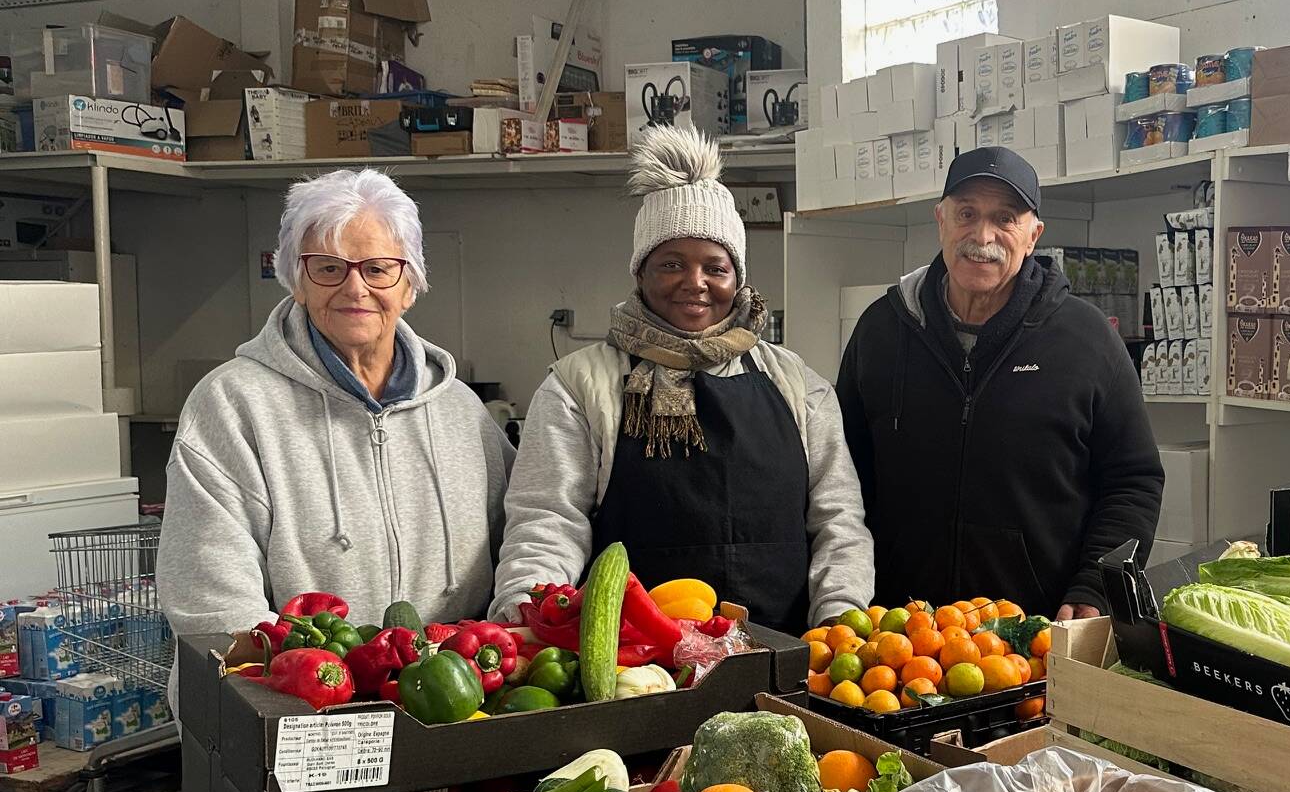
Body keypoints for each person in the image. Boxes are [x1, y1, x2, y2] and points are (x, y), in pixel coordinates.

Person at [492, 125, 872, 633]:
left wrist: (838, 630)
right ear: (640, 272)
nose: (695, 283)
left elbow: (838, 525)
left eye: (715, 267)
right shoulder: (578, 387)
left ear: (737, 279)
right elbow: (546, 523)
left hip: (787, 655)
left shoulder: (797, 383)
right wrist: (526, 623)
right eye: (671, 263)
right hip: (637, 669)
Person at [160, 169, 512, 639]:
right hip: (299, 695)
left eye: (378, 269)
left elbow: (517, 542)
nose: (355, 288)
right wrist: (328, 682)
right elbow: (213, 600)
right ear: (296, 283)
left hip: (449, 698)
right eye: (328, 268)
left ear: (409, 286)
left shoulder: (461, 411)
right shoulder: (232, 405)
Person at [836, 146, 1163, 618]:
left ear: (1033, 235)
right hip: (900, 632)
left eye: (1004, 218)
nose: (982, 236)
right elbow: (842, 474)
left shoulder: (1086, 339)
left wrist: (1095, 584)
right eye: (966, 213)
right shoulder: (883, 329)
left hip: (1034, 629)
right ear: (941, 220)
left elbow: (1134, 480)